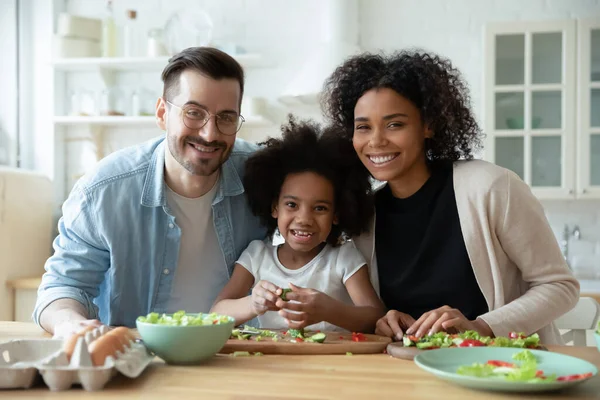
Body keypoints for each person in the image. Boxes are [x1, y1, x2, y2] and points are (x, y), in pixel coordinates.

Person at [320, 50, 579, 344]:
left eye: (395, 124)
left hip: (500, 368)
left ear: (428, 125)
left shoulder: (491, 188)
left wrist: (480, 326)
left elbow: (559, 286)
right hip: (405, 373)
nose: (376, 141)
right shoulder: (366, 218)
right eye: (363, 127)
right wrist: (386, 318)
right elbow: (376, 310)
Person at [34, 47, 265, 337]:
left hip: (241, 355)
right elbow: (62, 288)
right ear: (162, 114)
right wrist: (71, 324)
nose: (210, 134)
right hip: (139, 359)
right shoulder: (103, 192)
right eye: (194, 113)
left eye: (227, 118)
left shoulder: (262, 175)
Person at [211, 118, 385, 332]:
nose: (304, 219)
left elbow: (376, 317)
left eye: (320, 208)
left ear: (337, 214)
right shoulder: (257, 256)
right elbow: (216, 313)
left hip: (336, 363)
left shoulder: (344, 258)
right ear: (275, 208)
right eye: (292, 205)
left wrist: (328, 310)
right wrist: (253, 303)